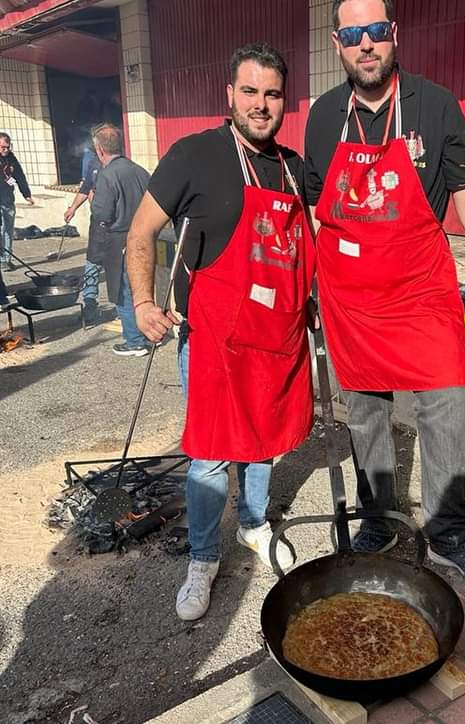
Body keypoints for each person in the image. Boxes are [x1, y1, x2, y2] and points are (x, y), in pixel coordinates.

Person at [304, 0, 465, 587]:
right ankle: (376, 519)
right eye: (353, 34)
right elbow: (316, 211)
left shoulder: (435, 103)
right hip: (351, 294)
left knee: (449, 401)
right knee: (367, 413)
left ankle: (450, 533)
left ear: (393, 35)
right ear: (337, 42)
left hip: (422, 286)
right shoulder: (324, 116)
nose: (366, 44)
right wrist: (310, 290)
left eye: (376, 31)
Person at [126, 43, 315, 621]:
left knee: (262, 442)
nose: (261, 105)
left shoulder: (294, 169)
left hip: (275, 338)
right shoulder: (194, 155)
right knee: (210, 454)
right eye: (251, 92)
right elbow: (140, 232)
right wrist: (141, 301)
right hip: (211, 339)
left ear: (285, 101)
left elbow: (307, 250)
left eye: (273, 94)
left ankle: (254, 525)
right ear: (229, 95)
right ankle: (203, 557)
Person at [91, 124, 151, 355]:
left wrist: (93, 204)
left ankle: (134, 341)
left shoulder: (107, 174)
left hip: (120, 240)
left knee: (122, 290)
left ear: (99, 150)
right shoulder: (140, 170)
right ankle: (147, 333)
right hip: (145, 237)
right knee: (143, 289)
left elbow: (103, 214)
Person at [64, 139, 104, 326]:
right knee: (91, 265)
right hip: (97, 226)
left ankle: (127, 311)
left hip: (116, 228)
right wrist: (73, 208)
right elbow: (86, 188)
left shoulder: (120, 168)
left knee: (120, 271)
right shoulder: (93, 164)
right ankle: (90, 308)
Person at [0, 132, 35, 271]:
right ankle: (1, 258)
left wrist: (26, 194)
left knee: (8, 229)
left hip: (8, 199)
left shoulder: (11, 158)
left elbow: (19, 175)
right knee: (1, 229)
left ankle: (6, 259)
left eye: (8, 147)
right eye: (2, 147)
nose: (6, 150)